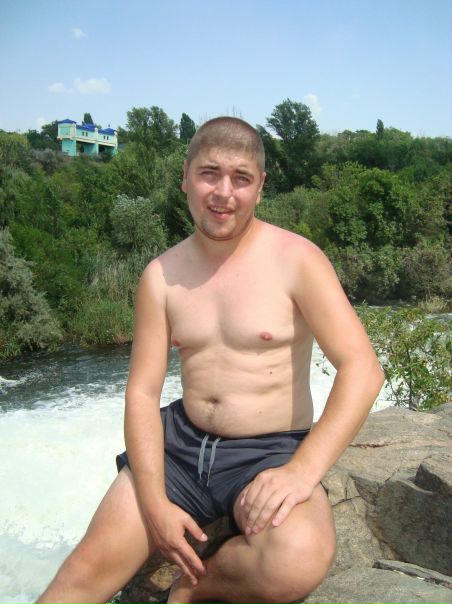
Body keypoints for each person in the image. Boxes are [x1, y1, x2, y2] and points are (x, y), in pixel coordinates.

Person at [36, 117, 384, 604]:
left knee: (296, 559)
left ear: (260, 187)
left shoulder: (297, 260)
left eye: (241, 178)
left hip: (269, 451)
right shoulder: (161, 275)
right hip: (177, 450)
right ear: (185, 177)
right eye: (209, 173)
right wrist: (154, 503)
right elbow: (142, 393)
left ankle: (194, 587)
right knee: (80, 578)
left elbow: (363, 369)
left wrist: (302, 471)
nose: (223, 192)